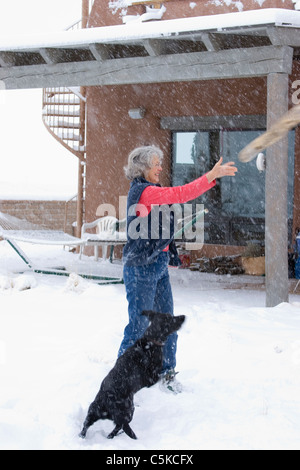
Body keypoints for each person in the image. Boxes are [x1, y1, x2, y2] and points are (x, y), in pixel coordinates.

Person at [118, 145, 237, 393]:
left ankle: (167, 371)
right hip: (141, 269)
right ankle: (121, 382)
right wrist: (210, 176)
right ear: (142, 168)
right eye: (155, 164)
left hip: (158, 266)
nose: (160, 167)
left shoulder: (153, 190)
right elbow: (182, 194)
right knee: (138, 328)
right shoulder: (144, 192)